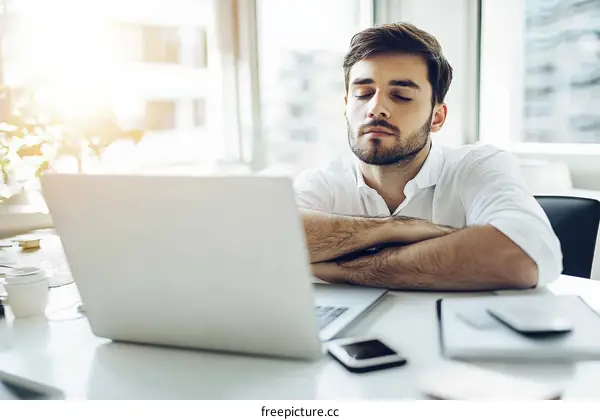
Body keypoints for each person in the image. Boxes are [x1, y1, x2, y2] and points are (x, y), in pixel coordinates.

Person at [293, 22, 562, 291]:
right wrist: (392, 228)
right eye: (363, 93)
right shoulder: (321, 181)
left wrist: (346, 269)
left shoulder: (478, 167)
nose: (376, 108)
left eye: (400, 95)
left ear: (436, 117)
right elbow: (268, 241)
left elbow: (522, 255)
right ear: (346, 106)